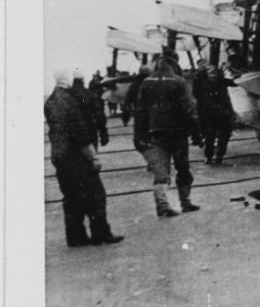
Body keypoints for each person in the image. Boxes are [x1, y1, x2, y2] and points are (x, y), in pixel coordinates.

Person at [45, 71, 123, 247]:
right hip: (76, 157)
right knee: (95, 195)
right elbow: (79, 132)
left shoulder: (50, 101)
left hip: (59, 156)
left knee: (71, 197)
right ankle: (101, 234)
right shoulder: (70, 101)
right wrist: (93, 157)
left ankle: (75, 237)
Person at [135, 53, 203, 218]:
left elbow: (140, 112)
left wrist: (139, 137)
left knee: (161, 171)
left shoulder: (146, 82)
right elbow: (189, 110)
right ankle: (185, 203)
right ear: (175, 63)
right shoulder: (178, 81)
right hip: (178, 134)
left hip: (155, 134)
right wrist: (196, 133)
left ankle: (163, 206)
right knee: (183, 169)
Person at [193, 63, 236, 164]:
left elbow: (233, 82)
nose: (214, 76)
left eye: (215, 74)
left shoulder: (220, 82)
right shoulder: (205, 85)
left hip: (218, 114)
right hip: (212, 114)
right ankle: (211, 156)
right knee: (211, 136)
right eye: (212, 74)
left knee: (220, 136)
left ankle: (217, 156)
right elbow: (205, 100)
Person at [70, 69, 109, 149]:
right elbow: (99, 115)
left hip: (72, 135)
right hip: (90, 132)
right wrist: (104, 134)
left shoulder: (67, 95)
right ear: (83, 80)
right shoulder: (89, 95)